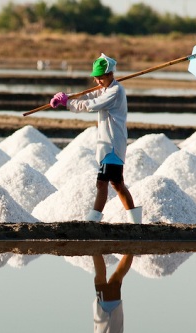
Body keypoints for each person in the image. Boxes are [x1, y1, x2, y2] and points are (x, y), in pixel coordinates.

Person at [49, 53, 142, 224]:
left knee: (102, 183)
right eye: (96, 78)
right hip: (109, 144)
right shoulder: (105, 89)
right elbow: (85, 96)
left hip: (113, 145)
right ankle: (136, 222)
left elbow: (91, 105)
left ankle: (93, 220)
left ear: (109, 75)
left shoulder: (115, 91)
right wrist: (67, 97)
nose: (98, 81)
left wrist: (67, 103)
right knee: (117, 184)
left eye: (100, 78)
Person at [92, 254, 133, 333]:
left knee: (114, 280)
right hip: (107, 314)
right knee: (103, 280)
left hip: (109, 313)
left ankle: (130, 250)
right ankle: (94, 249)